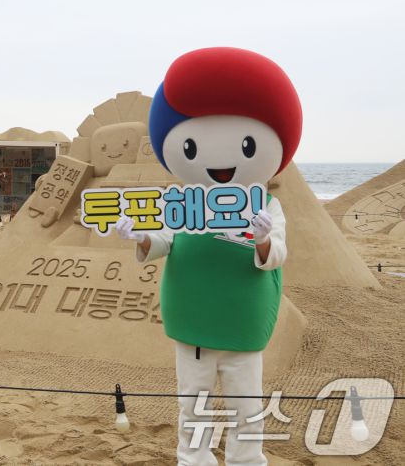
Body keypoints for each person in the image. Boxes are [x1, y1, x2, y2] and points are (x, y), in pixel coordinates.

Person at [116, 47, 301, 465]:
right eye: (193, 145)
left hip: (243, 321)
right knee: (192, 405)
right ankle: (194, 460)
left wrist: (262, 240)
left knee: (246, 407)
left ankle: (245, 461)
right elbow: (163, 240)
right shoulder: (181, 202)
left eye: (247, 144)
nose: (220, 162)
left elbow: (277, 255)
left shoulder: (266, 206)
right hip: (193, 320)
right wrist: (141, 236)